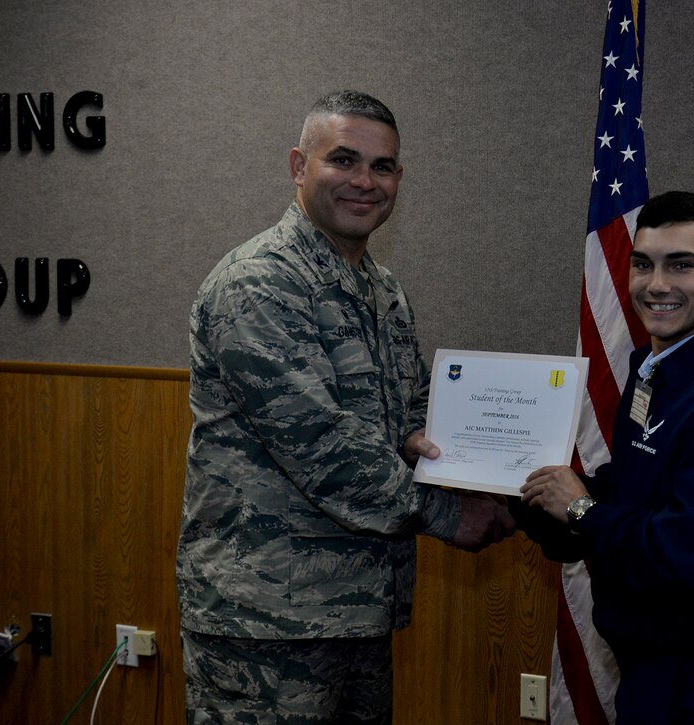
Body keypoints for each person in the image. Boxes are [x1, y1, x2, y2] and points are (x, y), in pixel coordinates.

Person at [177, 90, 514, 724]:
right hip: (266, 620)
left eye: (382, 166)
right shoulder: (259, 282)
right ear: (298, 166)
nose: (365, 181)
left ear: (399, 178)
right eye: (343, 160)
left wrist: (449, 447)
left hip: (357, 608)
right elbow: (321, 446)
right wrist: (450, 513)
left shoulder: (382, 290)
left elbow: (407, 412)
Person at [519, 191, 694, 724]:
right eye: (643, 264)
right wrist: (521, 491)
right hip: (650, 675)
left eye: (682, 265)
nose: (657, 285)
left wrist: (581, 511)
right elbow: (632, 495)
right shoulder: (654, 373)